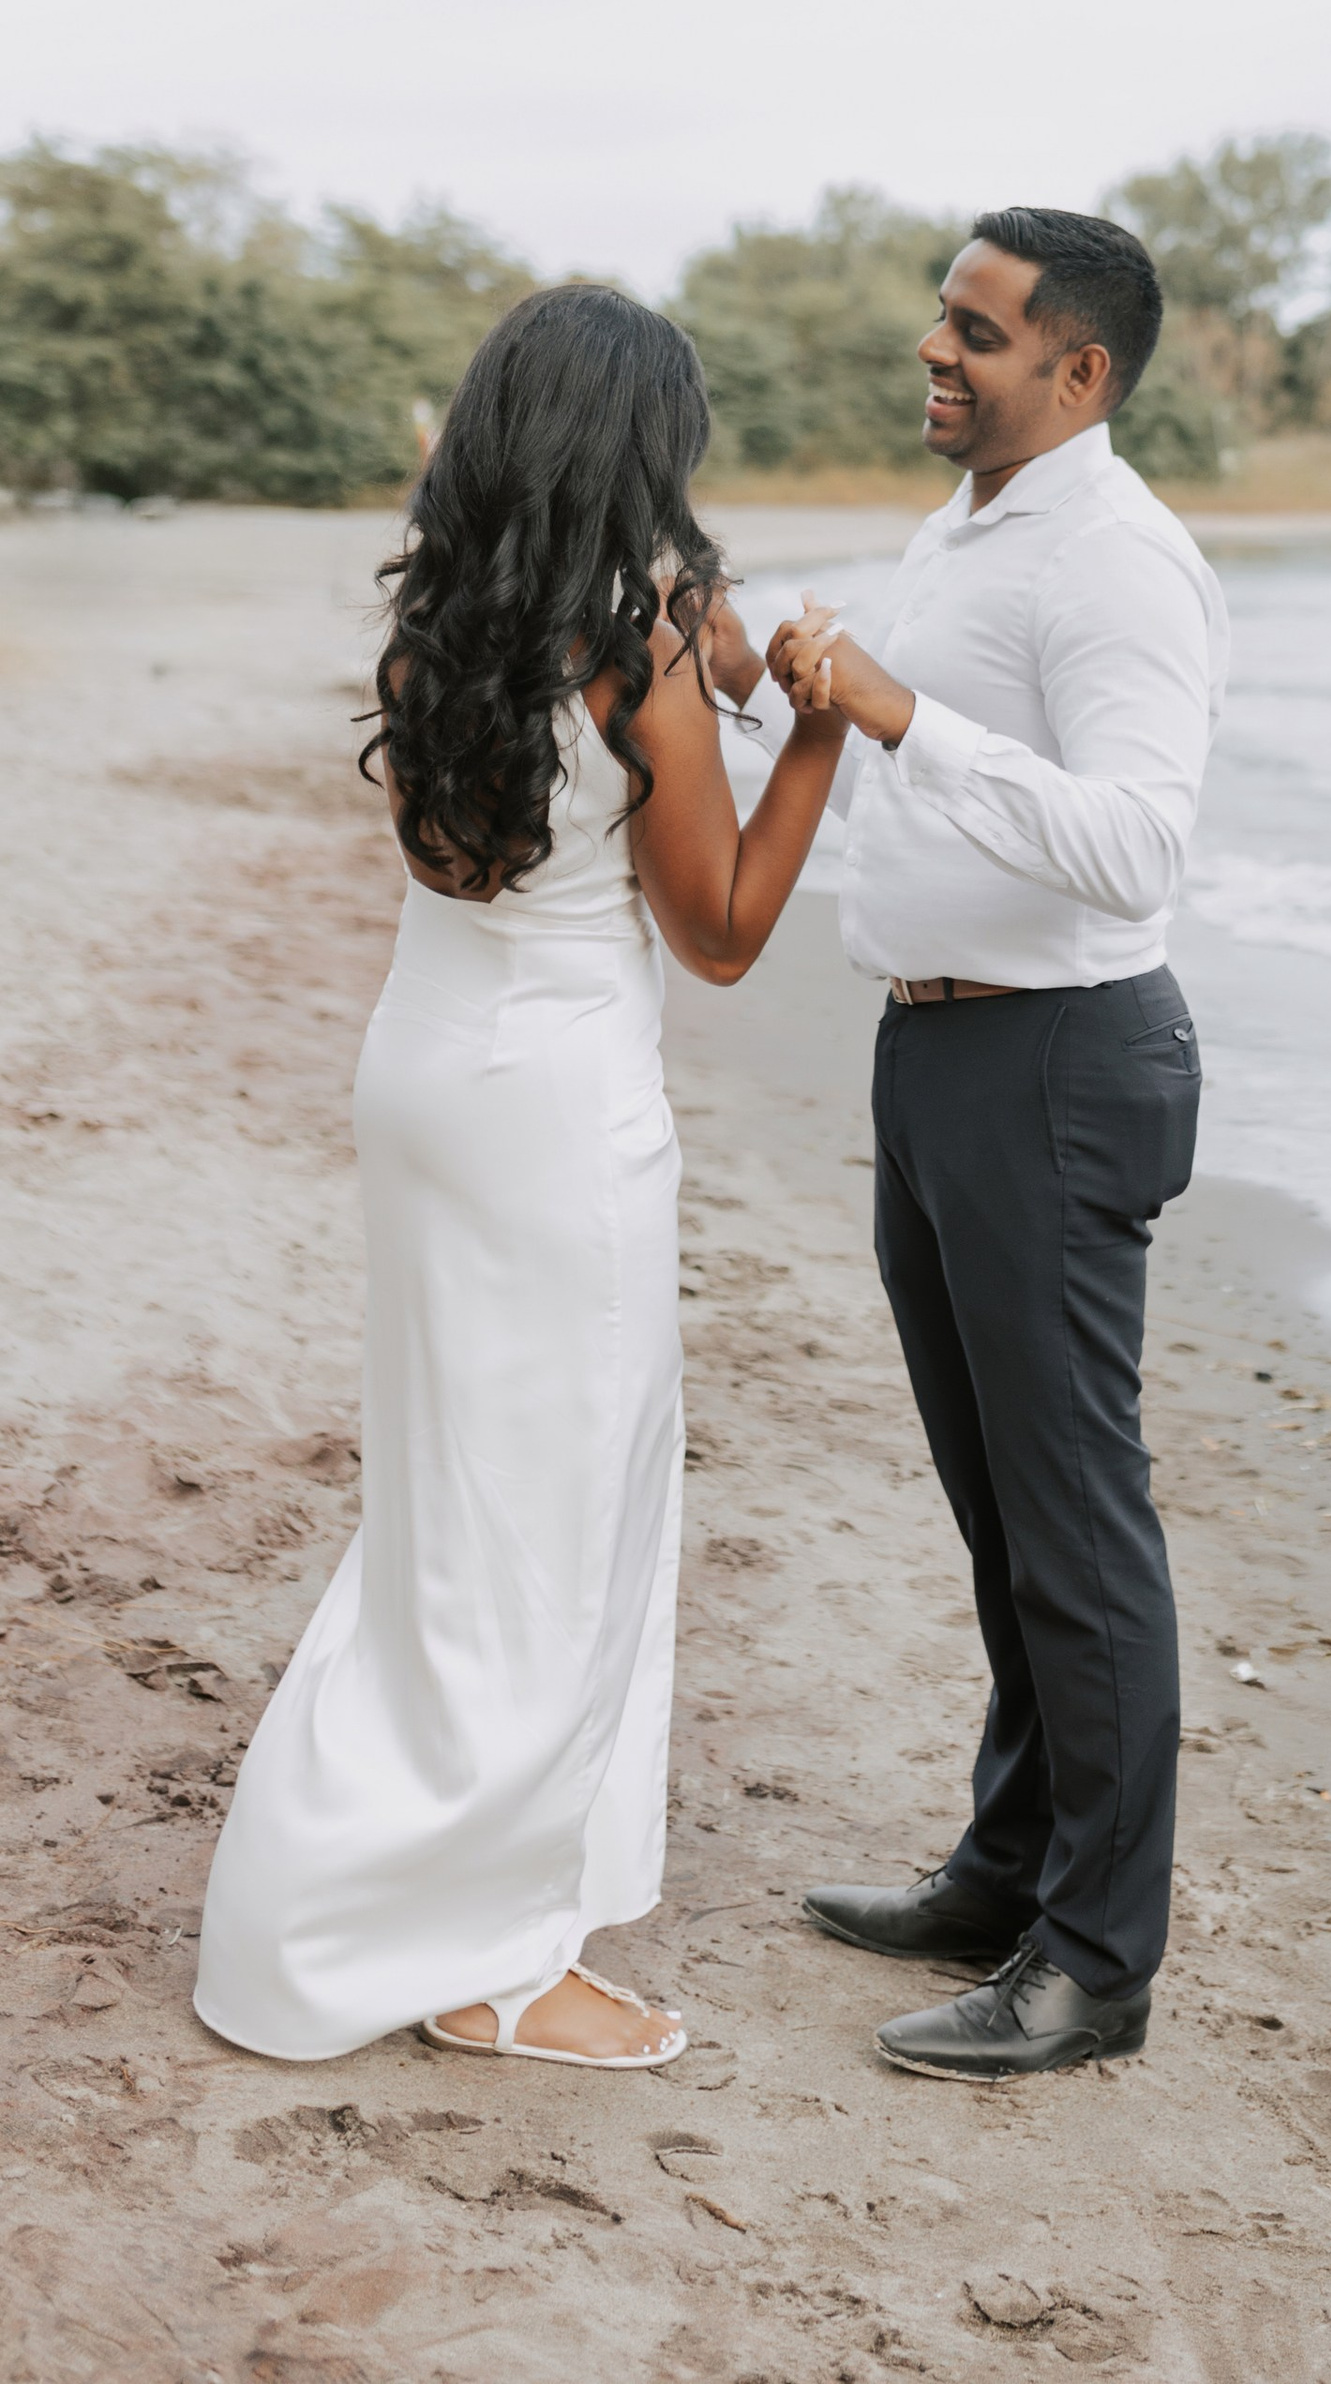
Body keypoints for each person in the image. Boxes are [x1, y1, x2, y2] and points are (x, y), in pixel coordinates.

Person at [193, 285, 845, 2070]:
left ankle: (402, 1889)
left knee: (446, 1510)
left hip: (425, 1073)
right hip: (557, 1115)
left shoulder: (444, 637)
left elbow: (522, 848)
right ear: (641, 454)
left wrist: (691, 654)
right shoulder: (624, 658)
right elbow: (716, 936)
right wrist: (820, 736)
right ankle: (493, 1956)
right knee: (559, 1522)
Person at [757, 206, 1229, 2081]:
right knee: (997, 1513)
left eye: (977, 331)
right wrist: (810, 679)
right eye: (940, 320)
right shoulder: (969, 526)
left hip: (1058, 1066)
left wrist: (901, 710)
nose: (935, 353)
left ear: (1080, 370)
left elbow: (1136, 845)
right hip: (937, 1056)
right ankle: (1008, 1867)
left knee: (1077, 1527)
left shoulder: (1118, 562)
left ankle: (1096, 1965)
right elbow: (927, 748)